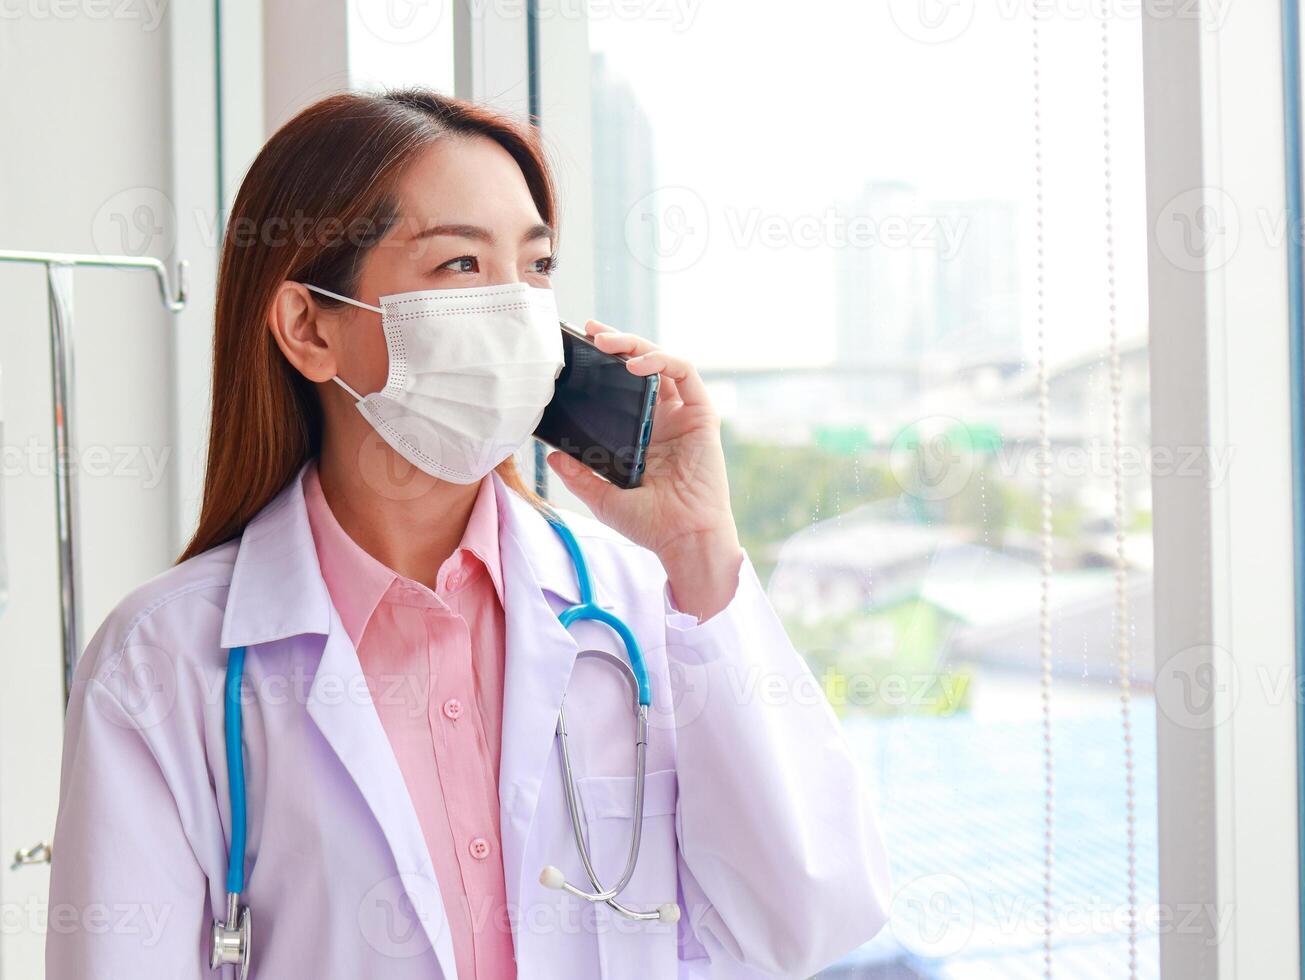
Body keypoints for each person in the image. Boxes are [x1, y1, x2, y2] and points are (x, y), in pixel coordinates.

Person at [45, 89, 890, 979]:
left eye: (536, 267)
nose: (519, 311)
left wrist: (700, 550)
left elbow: (810, 916)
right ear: (309, 327)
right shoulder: (165, 663)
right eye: (459, 265)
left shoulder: (639, 604)